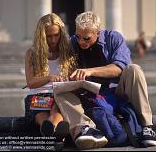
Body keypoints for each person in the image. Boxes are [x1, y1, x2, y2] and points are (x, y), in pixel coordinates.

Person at [70, 11, 156, 147]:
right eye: (78, 36)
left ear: (98, 32)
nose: (81, 41)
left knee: (133, 69)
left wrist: (90, 71)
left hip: (117, 90)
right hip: (92, 95)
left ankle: (147, 126)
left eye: (86, 38)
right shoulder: (73, 42)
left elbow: (119, 67)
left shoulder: (113, 38)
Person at [24, 13, 108, 150]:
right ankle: (54, 133)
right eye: (48, 36)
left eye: (56, 35)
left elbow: (72, 78)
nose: (52, 40)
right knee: (41, 114)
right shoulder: (32, 53)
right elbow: (31, 83)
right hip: (38, 96)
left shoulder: (67, 51)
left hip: (59, 95)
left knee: (57, 110)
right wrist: (49, 77)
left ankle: (51, 132)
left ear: (61, 34)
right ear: (41, 35)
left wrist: (74, 80)